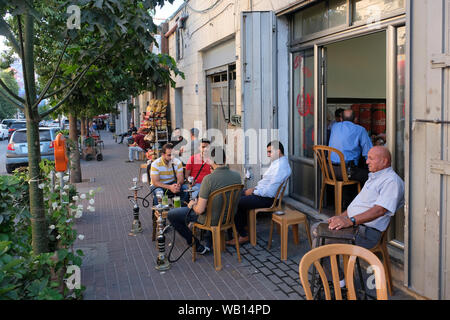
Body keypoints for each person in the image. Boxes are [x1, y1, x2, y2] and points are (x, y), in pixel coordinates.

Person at [311, 146, 404, 286]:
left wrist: (349, 221)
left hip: (367, 233)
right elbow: (356, 207)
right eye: (367, 158)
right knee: (316, 228)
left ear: (384, 161)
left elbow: (380, 210)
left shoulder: (391, 181)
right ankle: (333, 277)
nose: (366, 161)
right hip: (355, 226)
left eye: (371, 158)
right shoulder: (374, 177)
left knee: (323, 241)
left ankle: (340, 284)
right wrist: (340, 218)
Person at [167, 147, 242, 254]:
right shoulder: (237, 176)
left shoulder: (209, 179)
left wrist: (192, 205)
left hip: (211, 218)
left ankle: (196, 245)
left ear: (211, 160)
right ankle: (208, 241)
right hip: (228, 217)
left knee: (172, 214)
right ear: (225, 160)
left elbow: (199, 210)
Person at [226, 141, 292, 245]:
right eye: (268, 152)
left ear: (278, 151)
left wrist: (254, 192)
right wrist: (254, 190)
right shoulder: (278, 163)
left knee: (236, 202)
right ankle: (243, 228)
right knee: (234, 194)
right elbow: (267, 184)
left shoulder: (281, 167)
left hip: (268, 199)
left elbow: (270, 192)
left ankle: (243, 235)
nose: (268, 155)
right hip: (262, 194)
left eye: (270, 152)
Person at [328, 109, 373, 184]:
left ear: (341, 119)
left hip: (330, 171)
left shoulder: (334, 126)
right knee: (371, 176)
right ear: (355, 119)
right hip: (347, 172)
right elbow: (368, 152)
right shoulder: (360, 130)